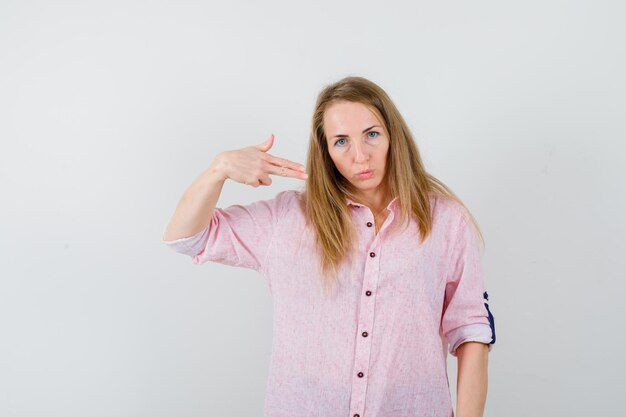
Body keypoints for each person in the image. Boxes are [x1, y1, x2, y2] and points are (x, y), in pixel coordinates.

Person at [162, 76, 496, 417]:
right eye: (341, 141)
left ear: (393, 134)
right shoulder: (287, 219)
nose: (360, 155)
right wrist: (218, 170)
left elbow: (471, 330)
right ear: (325, 151)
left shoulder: (447, 222)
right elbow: (185, 237)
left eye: (371, 134)